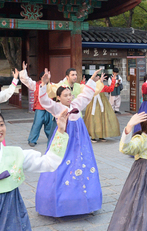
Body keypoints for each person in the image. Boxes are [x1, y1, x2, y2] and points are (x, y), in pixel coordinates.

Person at [35, 68, 102, 217]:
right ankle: (59, 200)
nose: (69, 97)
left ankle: (85, 199)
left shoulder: (77, 104)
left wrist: (92, 80)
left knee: (82, 163)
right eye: (65, 95)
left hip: (80, 143)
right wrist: (43, 85)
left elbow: (87, 95)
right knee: (61, 165)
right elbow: (44, 101)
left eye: (70, 94)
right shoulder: (56, 107)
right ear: (58, 97)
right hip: (64, 141)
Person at [19, 62, 56, 147]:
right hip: (39, 108)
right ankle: (32, 140)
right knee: (37, 124)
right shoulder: (36, 85)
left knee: (50, 125)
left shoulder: (52, 85)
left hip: (49, 108)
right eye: (44, 77)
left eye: (47, 76)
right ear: (41, 78)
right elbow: (26, 80)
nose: (46, 78)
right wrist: (24, 70)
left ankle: (52, 140)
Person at [84, 71, 120, 141]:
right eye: (96, 76)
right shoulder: (90, 86)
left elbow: (111, 89)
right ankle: (93, 136)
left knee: (102, 118)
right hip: (93, 104)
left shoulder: (102, 85)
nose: (98, 77)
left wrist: (113, 80)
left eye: (98, 76)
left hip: (102, 104)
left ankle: (101, 135)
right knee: (93, 119)